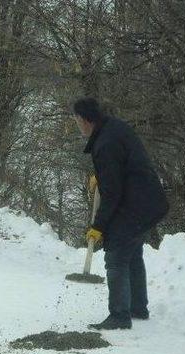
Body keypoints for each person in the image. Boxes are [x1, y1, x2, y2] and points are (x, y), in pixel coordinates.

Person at [73, 98, 169, 330]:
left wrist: (99, 226)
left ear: (86, 120)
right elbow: (123, 166)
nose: (76, 125)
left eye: (76, 120)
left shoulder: (105, 144)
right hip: (147, 200)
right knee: (133, 252)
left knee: (116, 255)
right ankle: (137, 307)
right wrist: (102, 176)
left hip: (134, 204)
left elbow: (112, 193)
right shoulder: (113, 127)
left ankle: (119, 316)